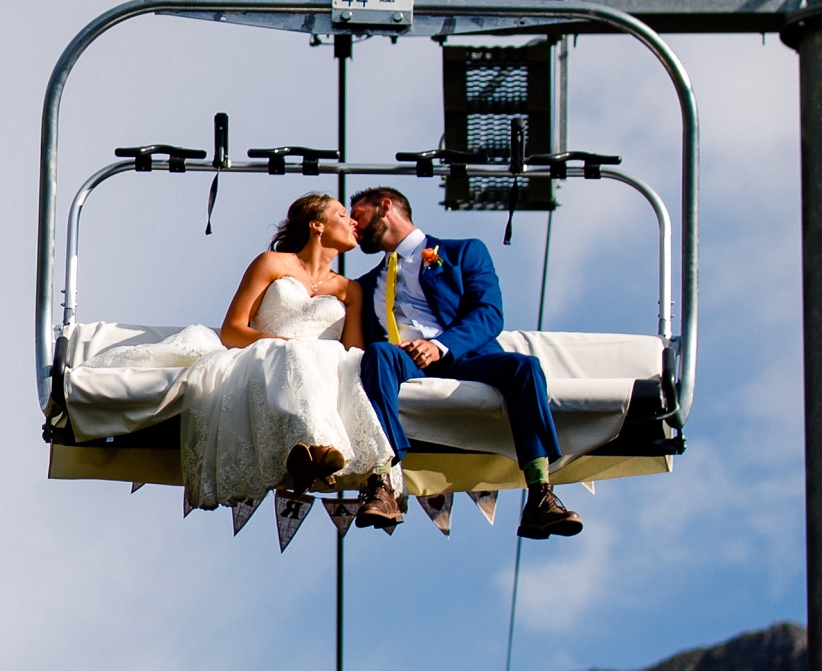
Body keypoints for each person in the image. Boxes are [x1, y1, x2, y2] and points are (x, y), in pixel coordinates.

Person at [344, 185, 583, 540]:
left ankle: (541, 496)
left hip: (464, 358)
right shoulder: (362, 286)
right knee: (378, 355)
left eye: (358, 216)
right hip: (401, 362)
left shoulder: (462, 252)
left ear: (385, 206)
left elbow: (489, 314)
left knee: (525, 368)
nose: (354, 227)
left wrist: (441, 346)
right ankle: (382, 482)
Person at [174, 191, 399, 511]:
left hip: (324, 364)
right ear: (316, 225)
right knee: (294, 355)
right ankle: (316, 451)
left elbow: (353, 350)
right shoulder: (272, 263)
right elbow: (232, 330)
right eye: (341, 215)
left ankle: (316, 456)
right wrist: (283, 344)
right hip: (267, 357)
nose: (352, 221)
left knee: (330, 358)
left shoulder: (351, 289)